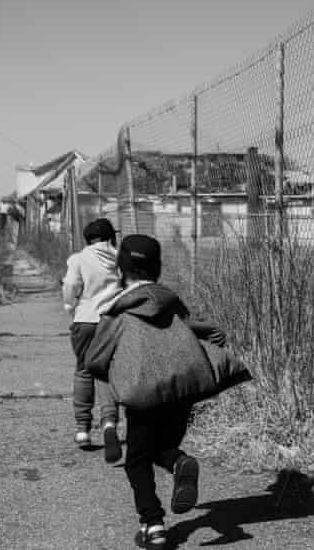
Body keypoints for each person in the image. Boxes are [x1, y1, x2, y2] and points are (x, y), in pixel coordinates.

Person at [85, 234, 227, 549]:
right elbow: (200, 329)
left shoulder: (118, 312)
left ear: (121, 270)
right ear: (158, 268)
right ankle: (179, 463)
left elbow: (94, 359)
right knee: (161, 448)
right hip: (182, 390)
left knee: (137, 460)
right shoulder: (172, 302)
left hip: (143, 393)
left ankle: (153, 524)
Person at [62, 217, 123, 462]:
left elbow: (71, 287)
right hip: (113, 322)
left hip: (85, 321)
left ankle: (82, 430)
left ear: (88, 240)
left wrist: (70, 306)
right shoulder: (120, 258)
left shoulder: (78, 259)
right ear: (111, 238)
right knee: (107, 373)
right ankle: (109, 423)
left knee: (84, 371)